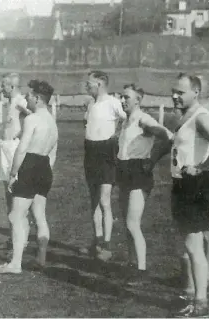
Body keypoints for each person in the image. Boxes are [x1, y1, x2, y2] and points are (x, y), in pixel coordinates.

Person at [151, 73, 209, 317]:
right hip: (182, 185)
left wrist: (201, 168)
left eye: (180, 92)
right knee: (191, 245)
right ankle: (197, 297)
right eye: (173, 91)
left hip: (194, 187)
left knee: (193, 246)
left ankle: (200, 304)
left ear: (195, 92)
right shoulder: (184, 116)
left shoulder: (202, 117)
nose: (174, 95)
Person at [0, 80, 58, 274]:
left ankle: (15, 263)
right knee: (39, 216)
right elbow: (54, 150)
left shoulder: (31, 119)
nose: (26, 97)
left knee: (16, 215)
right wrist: (47, 168)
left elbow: (21, 149)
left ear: (37, 99)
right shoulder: (52, 122)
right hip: (45, 166)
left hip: (30, 165)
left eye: (29, 95)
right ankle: (41, 259)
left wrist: (13, 174)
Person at [116, 84, 173, 285]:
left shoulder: (143, 119)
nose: (122, 101)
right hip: (123, 171)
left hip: (139, 174)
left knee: (133, 223)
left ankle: (141, 270)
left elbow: (167, 136)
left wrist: (153, 159)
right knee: (127, 224)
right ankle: (132, 265)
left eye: (126, 97)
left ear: (138, 100)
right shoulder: (126, 121)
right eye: (121, 97)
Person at [83, 70, 127, 261]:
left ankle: (107, 246)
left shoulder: (113, 102)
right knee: (94, 200)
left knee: (104, 200)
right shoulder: (92, 103)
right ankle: (97, 242)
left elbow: (128, 118)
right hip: (90, 152)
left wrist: (118, 135)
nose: (87, 86)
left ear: (99, 84)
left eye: (89, 83)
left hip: (106, 153)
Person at [0, 73, 32, 249]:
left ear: (11, 87)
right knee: (7, 194)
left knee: (16, 194)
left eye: (3, 85)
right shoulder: (9, 103)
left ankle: (21, 239)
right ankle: (13, 239)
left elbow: (33, 116)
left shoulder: (20, 100)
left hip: (13, 149)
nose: (1, 88)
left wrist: (22, 135)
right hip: (5, 148)